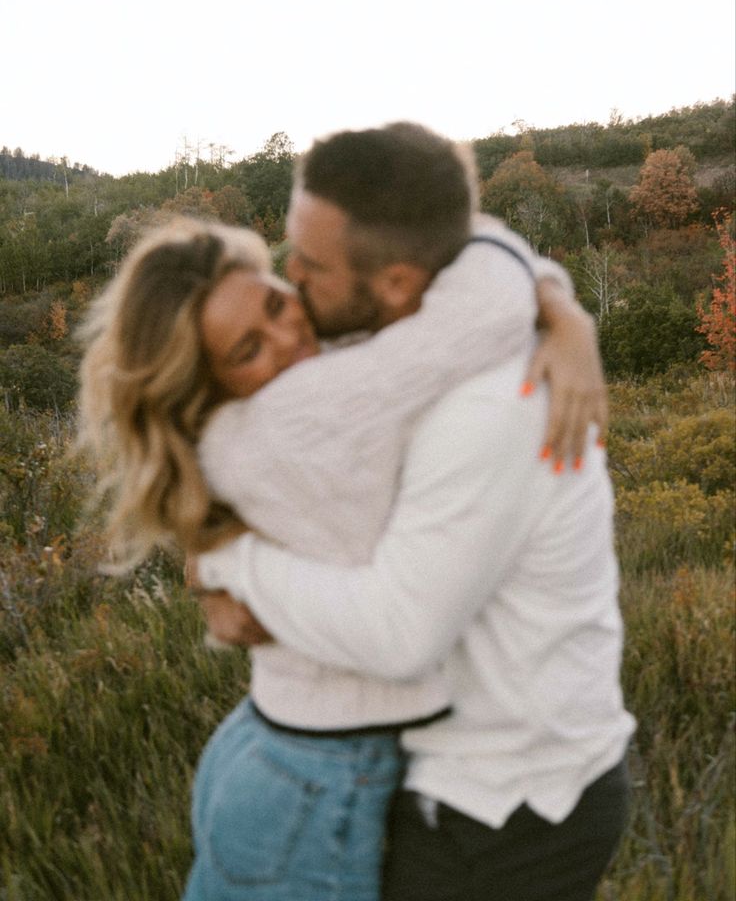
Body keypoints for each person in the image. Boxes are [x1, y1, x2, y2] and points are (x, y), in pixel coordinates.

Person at [78, 124, 611, 900]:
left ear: (394, 281)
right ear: (212, 384)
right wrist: (560, 309)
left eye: (283, 292)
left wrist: (560, 307)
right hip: (321, 770)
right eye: (248, 349)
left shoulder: (353, 364)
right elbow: (483, 286)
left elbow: (469, 248)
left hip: (314, 754)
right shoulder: (294, 411)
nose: (291, 313)